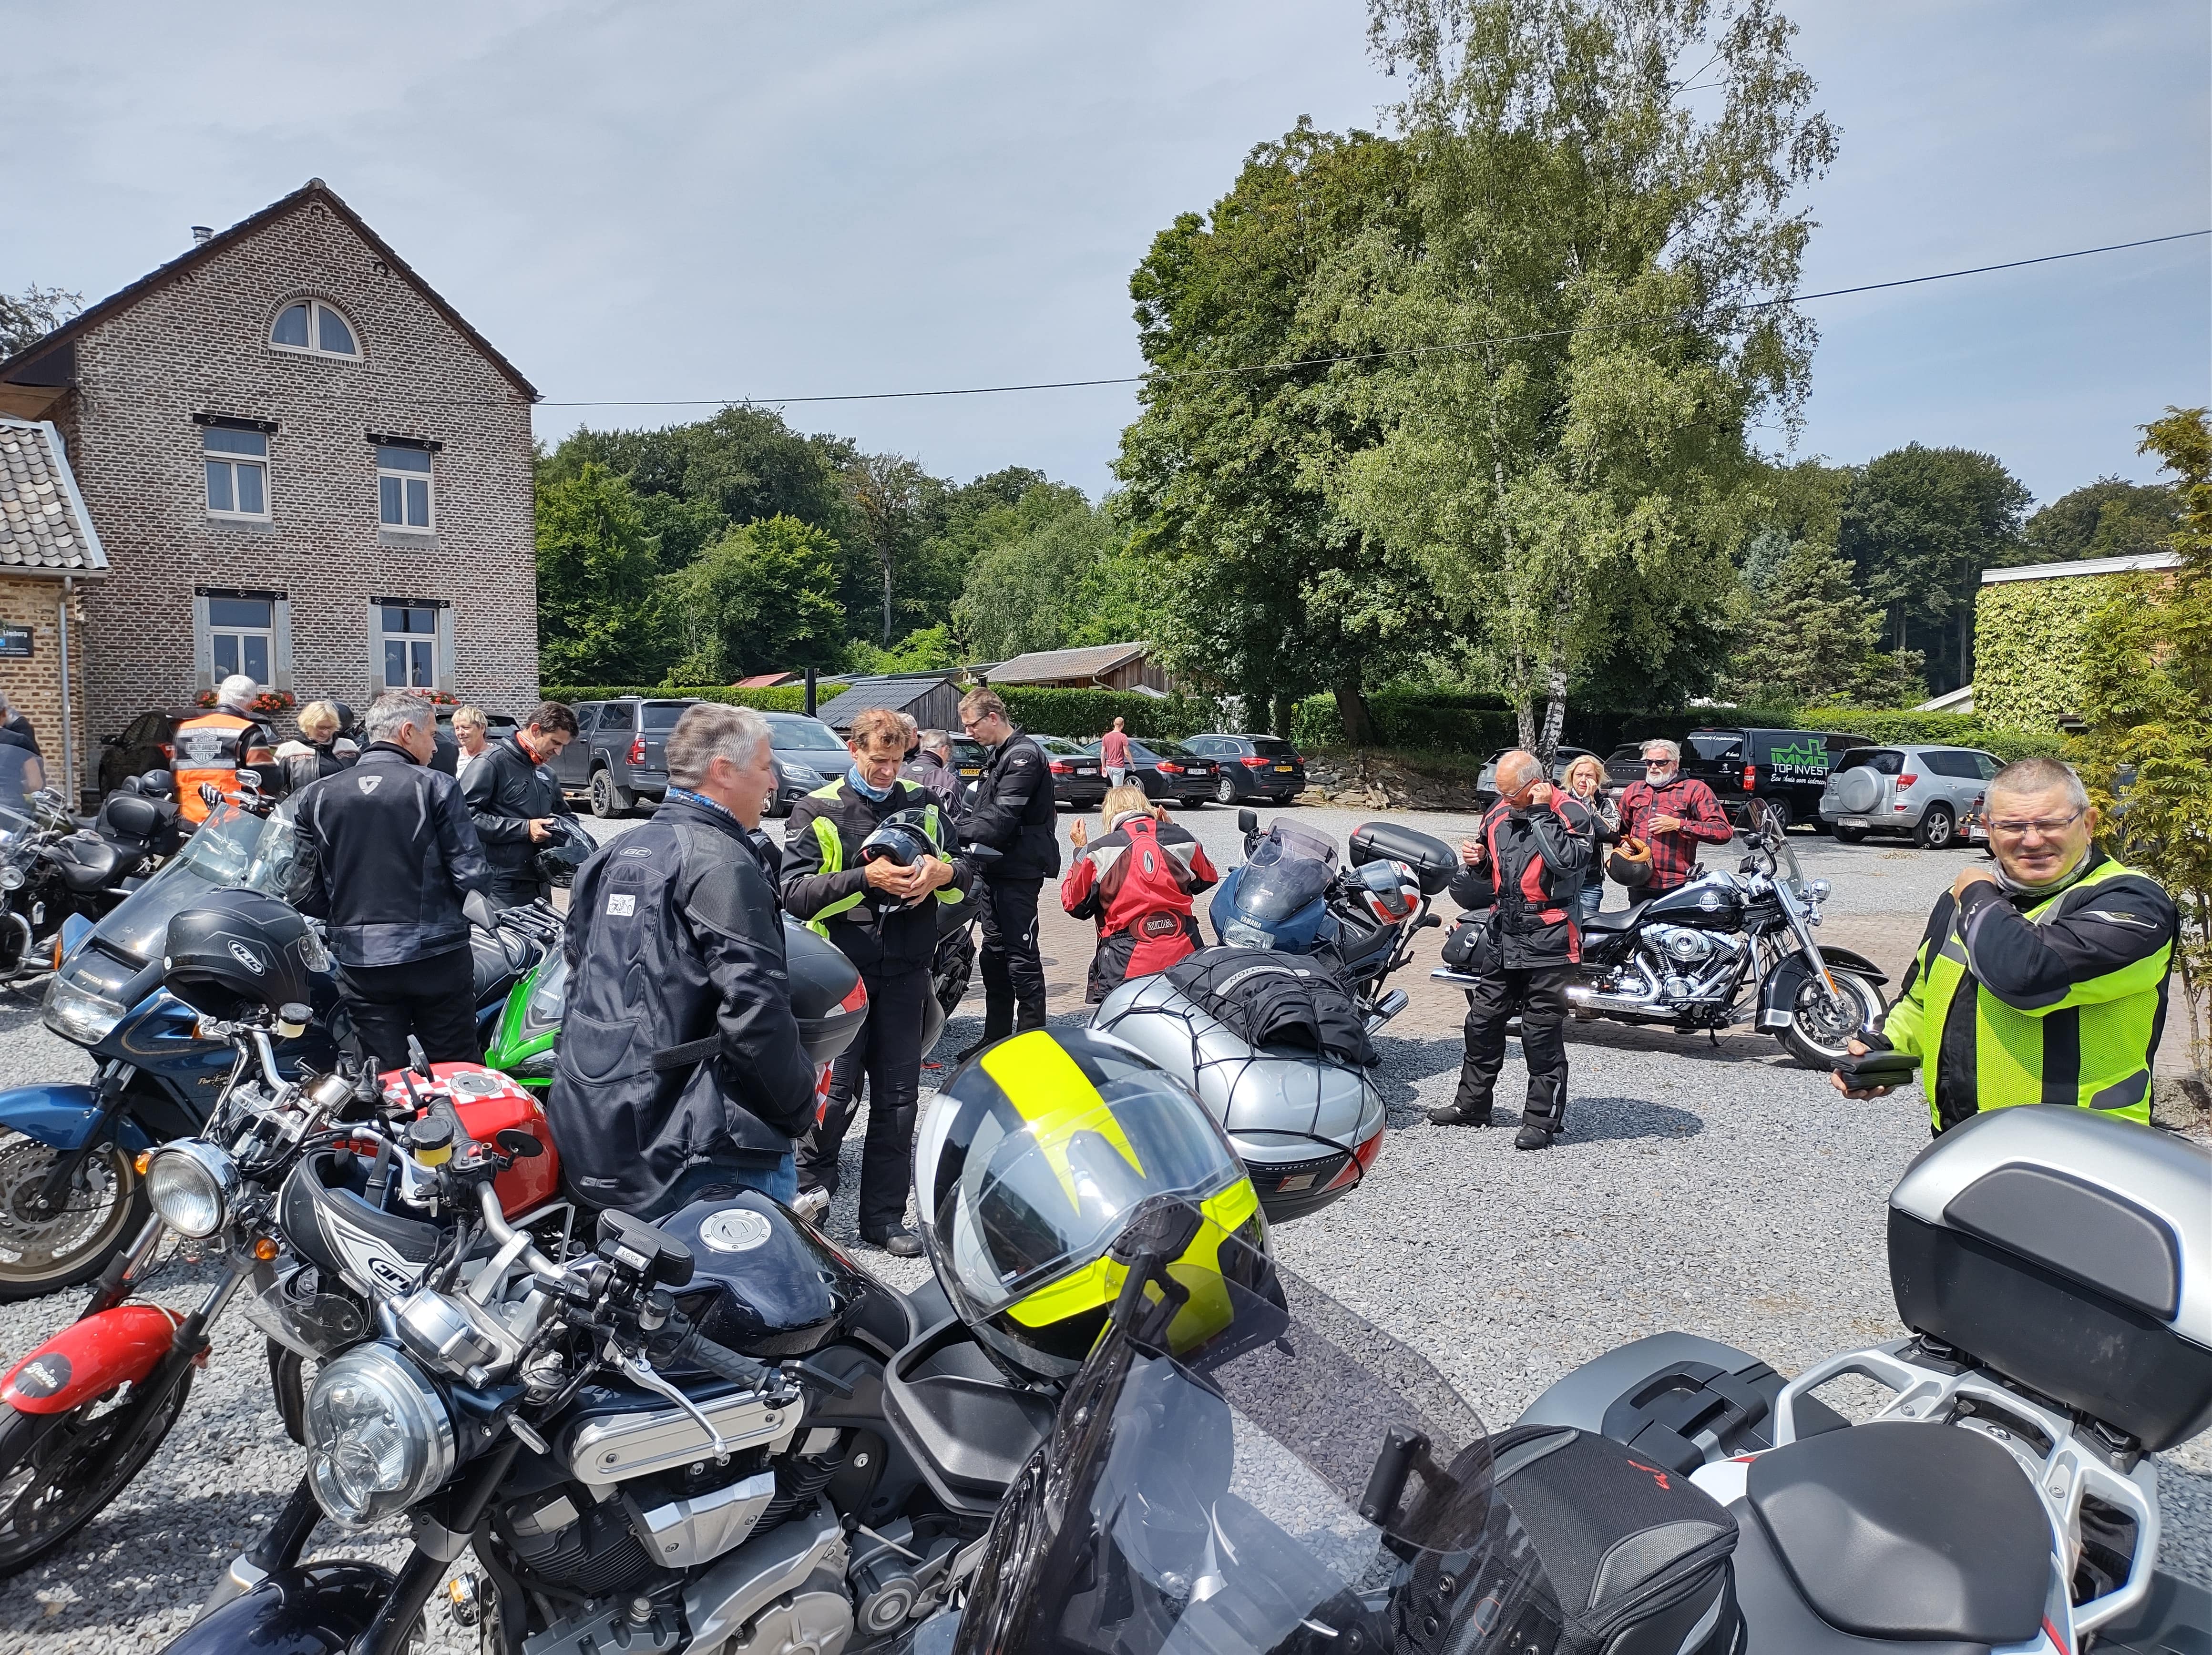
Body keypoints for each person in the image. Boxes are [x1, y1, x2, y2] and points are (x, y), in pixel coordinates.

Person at [549, 702, 819, 1216]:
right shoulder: (721, 862)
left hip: (603, 1123)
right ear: (723, 770)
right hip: (700, 1147)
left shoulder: (613, 851)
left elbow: (578, 976)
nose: (773, 782)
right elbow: (755, 1009)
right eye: (766, 766)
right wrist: (798, 1109)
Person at [1834, 757, 2177, 1132]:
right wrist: (1884, 1048)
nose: (2032, 840)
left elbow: (2025, 974)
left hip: (2083, 1144)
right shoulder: (1962, 900)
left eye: (2050, 824)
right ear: (1988, 829)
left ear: (2088, 823)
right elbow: (1922, 1000)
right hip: (1964, 1137)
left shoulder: (2134, 901)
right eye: (2013, 826)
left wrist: (1977, 893)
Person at [781, 707, 969, 1253]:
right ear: (853, 749)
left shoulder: (925, 803)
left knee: (899, 1101)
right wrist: (865, 878)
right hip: (841, 977)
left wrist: (943, 873)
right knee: (833, 1100)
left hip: (908, 972)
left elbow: (967, 878)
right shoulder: (818, 807)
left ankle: (884, 1219)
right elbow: (793, 893)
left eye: (897, 761)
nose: (888, 772)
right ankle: (809, 1203)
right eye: (878, 760)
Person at [287, 694, 494, 1071]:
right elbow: (472, 876)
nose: (436, 746)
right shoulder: (437, 786)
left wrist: (349, 915)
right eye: (432, 734)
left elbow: (301, 890)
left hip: (360, 958)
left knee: (381, 1071)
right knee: (454, 1067)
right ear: (407, 732)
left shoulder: (314, 795)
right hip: (436, 954)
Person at [1431, 749, 1591, 1149]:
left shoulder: (1572, 813)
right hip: (1505, 933)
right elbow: (1492, 870)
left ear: (1535, 785)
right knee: (1482, 1022)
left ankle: (1541, 1122)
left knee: (1540, 1032)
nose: (1504, 800)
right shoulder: (1499, 812)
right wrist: (1479, 862)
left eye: (1511, 793)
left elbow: (1568, 863)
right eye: (1500, 794)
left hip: (1552, 938)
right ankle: (1472, 1106)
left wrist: (1540, 814)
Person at [955, 688, 1060, 1056]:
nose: (968, 732)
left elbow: (1000, 819)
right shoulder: (1000, 755)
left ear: (993, 718)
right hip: (995, 868)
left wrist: (950, 832)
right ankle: (996, 1037)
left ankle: (1032, 1043)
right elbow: (982, 811)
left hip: (1019, 872)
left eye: (972, 725)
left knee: (1021, 958)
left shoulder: (1023, 757)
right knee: (994, 955)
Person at [1061, 785, 1219, 1001]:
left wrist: (1081, 850)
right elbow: (1208, 877)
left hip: (1125, 961)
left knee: (1122, 1018)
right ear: (1145, 806)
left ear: (1109, 813)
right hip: (1184, 955)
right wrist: (1174, 828)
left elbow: (1074, 903)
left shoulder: (1098, 851)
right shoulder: (1183, 839)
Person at [464, 700, 580, 907]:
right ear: (536, 730)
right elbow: (465, 818)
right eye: (555, 742)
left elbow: (564, 815)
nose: (558, 752)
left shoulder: (547, 773)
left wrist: (568, 831)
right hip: (500, 885)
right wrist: (525, 829)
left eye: (563, 746)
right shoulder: (490, 763)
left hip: (540, 883)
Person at [1617, 738, 1731, 894]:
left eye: (1661, 763)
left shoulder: (1695, 789)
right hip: (1639, 881)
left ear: (1675, 764)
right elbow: (1620, 831)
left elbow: (1723, 831)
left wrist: (1679, 825)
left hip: (1677, 883)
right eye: (1649, 762)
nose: (1653, 767)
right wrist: (1623, 845)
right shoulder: (1634, 790)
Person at [173, 673, 278, 824]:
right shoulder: (248, 731)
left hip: (190, 820)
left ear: (219, 696)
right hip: (232, 821)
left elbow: (175, 774)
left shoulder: (185, 730)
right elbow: (271, 782)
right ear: (252, 703)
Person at [1559, 754, 1619, 920]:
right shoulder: (1560, 800)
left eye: (1589, 775)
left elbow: (1609, 834)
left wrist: (1589, 802)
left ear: (1597, 779)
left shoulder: (1605, 803)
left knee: (1587, 926)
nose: (1584, 780)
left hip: (1590, 882)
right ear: (1571, 777)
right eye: (1579, 775)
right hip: (1562, 880)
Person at [272, 699, 358, 793]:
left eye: (331, 727)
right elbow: (275, 787)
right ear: (307, 725)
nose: (326, 732)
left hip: (345, 801)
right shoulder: (289, 750)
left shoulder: (349, 747)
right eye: (321, 728)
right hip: (305, 802)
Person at [902, 727, 962, 816]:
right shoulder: (948, 782)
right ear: (944, 749)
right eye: (949, 752)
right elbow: (955, 820)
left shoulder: (900, 772)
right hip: (936, 825)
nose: (948, 758)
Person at [0, 691, 42, 814]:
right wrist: (13, 787)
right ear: (4, 713)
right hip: (11, 810)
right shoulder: (20, 740)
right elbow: (35, 784)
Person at [451, 706, 493, 786]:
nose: (460, 733)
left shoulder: (496, 755)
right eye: (457, 728)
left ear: (482, 728)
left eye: (466, 728)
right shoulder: (454, 756)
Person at [1099, 715, 1133, 788]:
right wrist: (1132, 765)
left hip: (1109, 766)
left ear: (1114, 723)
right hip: (1118, 766)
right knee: (1118, 789)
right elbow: (1127, 753)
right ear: (1123, 725)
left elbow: (1102, 754)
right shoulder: (1123, 737)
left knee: (1115, 786)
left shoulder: (1106, 737)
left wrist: (1104, 767)